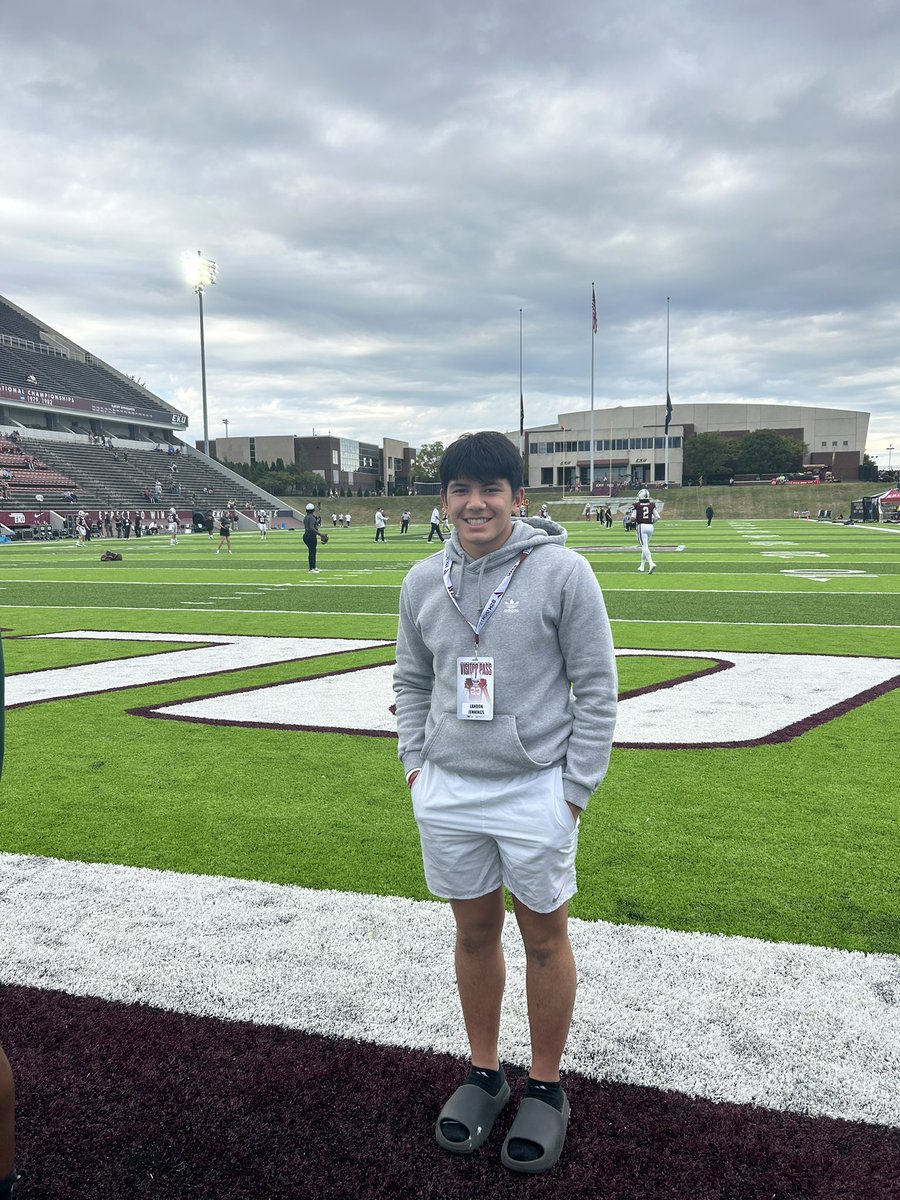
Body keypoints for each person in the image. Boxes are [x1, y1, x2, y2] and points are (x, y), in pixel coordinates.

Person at [393, 431, 617, 1176]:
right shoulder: (425, 579)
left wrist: (573, 794)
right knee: (473, 934)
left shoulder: (564, 571)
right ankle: (485, 1072)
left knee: (545, 937)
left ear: (519, 498)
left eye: (491, 489)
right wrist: (415, 769)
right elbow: (412, 682)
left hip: (534, 788)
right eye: (460, 489)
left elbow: (598, 687)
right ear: (444, 501)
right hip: (450, 787)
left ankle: (547, 1087)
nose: (475, 502)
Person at [634, 487, 658, 573]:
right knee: (645, 546)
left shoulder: (636, 505)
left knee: (644, 547)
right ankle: (642, 566)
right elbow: (657, 517)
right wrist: (651, 522)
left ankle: (651, 563)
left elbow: (633, 517)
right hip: (650, 526)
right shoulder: (652, 505)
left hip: (641, 526)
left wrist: (632, 520)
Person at [303, 502, 326, 572]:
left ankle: (313, 567)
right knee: (312, 551)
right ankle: (311, 568)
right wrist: (320, 534)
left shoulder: (306, 517)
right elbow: (311, 528)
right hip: (311, 536)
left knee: (312, 551)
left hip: (306, 536)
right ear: (313, 510)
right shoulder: (312, 518)